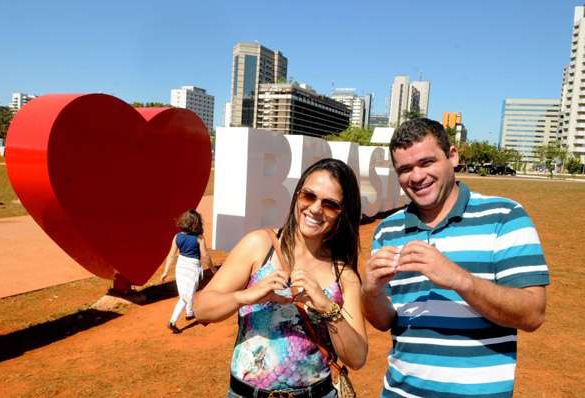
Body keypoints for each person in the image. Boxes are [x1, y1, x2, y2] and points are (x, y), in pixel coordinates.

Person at [362, 118, 549, 397]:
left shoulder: (504, 216)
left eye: (426, 163)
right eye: (405, 169)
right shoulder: (388, 230)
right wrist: (371, 291)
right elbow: (384, 321)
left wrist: (460, 280)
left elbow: (532, 314)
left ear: (452, 156)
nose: (416, 177)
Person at [194, 158, 368, 398]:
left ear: (342, 213)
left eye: (330, 204)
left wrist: (327, 307)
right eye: (309, 196)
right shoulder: (259, 245)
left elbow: (357, 358)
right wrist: (245, 296)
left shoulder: (343, 275)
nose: (316, 209)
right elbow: (201, 309)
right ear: (297, 195)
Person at [161, 209, 216, 333]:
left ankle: (186, 314)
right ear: (197, 223)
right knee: (188, 294)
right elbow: (205, 256)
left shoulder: (177, 237)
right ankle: (179, 317)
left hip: (180, 266)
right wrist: (212, 269)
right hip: (193, 267)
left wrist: (165, 271)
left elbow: (171, 255)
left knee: (184, 295)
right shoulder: (199, 239)